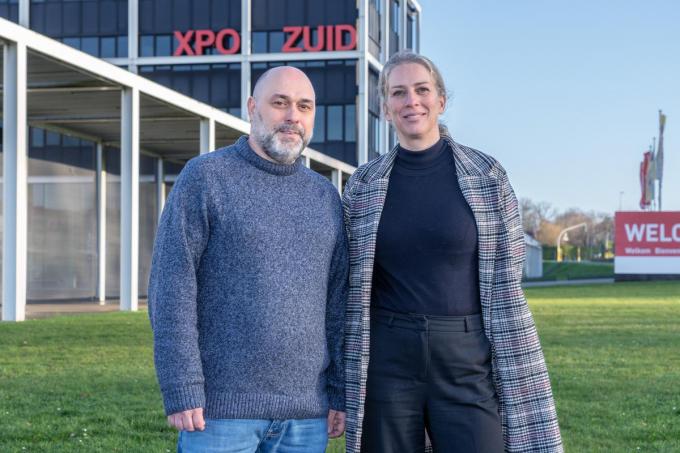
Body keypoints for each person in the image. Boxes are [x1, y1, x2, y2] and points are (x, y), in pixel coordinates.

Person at [342, 50, 563, 453]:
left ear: (441, 101)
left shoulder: (486, 175)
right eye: (398, 93)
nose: (412, 101)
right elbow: (349, 278)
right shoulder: (363, 184)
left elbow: (508, 270)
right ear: (386, 109)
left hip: (466, 354)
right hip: (388, 358)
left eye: (422, 90)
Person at [148, 66, 348, 453]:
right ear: (253, 108)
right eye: (280, 103)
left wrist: (338, 391)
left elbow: (338, 304)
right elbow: (171, 287)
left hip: (307, 417)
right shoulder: (205, 177)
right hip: (219, 414)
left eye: (304, 106)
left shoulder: (326, 197)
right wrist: (181, 385)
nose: (293, 116)